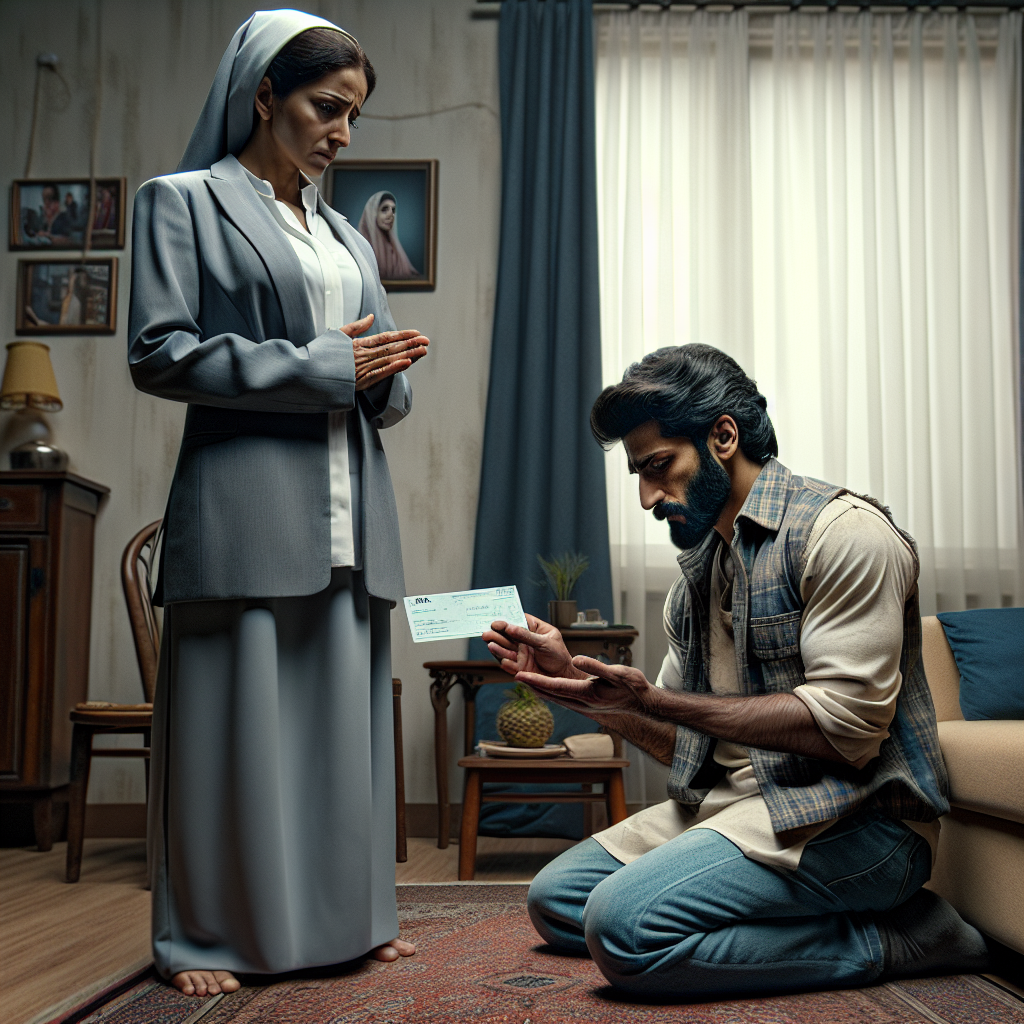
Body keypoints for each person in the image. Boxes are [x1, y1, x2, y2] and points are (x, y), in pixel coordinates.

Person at [485, 344, 991, 999]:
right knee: (556, 901)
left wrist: (661, 701)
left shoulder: (845, 535)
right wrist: (596, 699)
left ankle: (900, 936)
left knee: (619, 928)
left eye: (659, 466)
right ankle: (750, 902)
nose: (645, 497)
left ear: (723, 436)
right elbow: (685, 746)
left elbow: (847, 733)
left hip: (858, 828)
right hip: (741, 809)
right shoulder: (699, 579)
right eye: (638, 474)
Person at [128, 11, 430, 998]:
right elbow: (159, 352)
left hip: (352, 507)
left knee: (341, 731)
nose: (344, 132)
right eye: (325, 108)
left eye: (353, 114)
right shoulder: (178, 203)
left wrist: (384, 373)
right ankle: (208, 936)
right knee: (235, 737)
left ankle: (353, 918)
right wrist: (326, 363)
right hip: (246, 506)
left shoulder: (345, 232)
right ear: (263, 93)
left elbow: (371, 377)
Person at [358, 190, 419, 279]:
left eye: (393, 210)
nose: (391, 215)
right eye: (384, 210)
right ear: (372, 213)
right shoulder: (360, 247)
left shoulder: (394, 251)